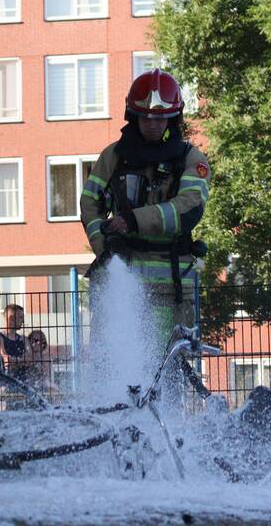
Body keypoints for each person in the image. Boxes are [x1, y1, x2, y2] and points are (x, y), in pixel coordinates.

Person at [80, 69, 210, 340]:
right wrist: (104, 247)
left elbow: (189, 208)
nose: (153, 124)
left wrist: (133, 220)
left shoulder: (190, 159)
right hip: (119, 280)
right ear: (134, 116)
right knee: (112, 361)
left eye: (161, 118)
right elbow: (89, 202)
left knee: (168, 366)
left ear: (173, 118)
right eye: (147, 118)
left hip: (169, 288)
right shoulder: (114, 156)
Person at [0, 304, 25, 375]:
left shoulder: (22, 339)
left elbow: (30, 359)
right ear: (11, 318)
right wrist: (22, 361)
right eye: (20, 317)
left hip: (22, 381)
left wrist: (14, 361)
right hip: (7, 381)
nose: (23, 321)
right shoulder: (0, 337)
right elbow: (6, 359)